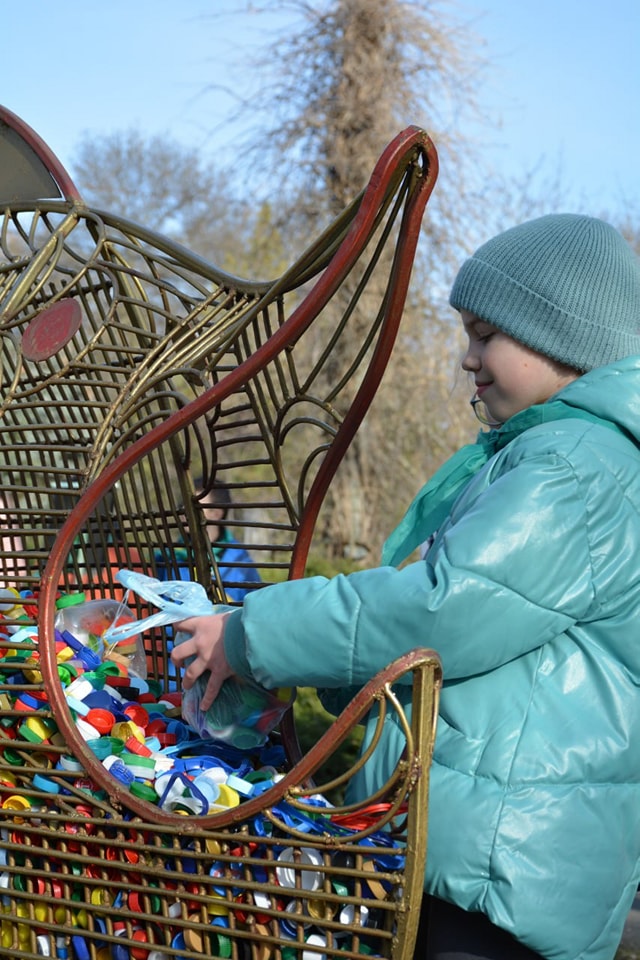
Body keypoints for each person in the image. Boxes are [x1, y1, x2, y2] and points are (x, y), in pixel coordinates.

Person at [170, 214, 640, 960]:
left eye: (487, 335)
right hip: (501, 859)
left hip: (494, 878)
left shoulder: (574, 468)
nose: (467, 359)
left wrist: (253, 635)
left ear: (562, 336)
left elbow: (440, 606)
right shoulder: (567, 459)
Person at [156, 481, 261, 602]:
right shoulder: (167, 557)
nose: (184, 511)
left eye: (194, 506)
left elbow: (255, 608)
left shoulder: (240, 561)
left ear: (216, 513)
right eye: (182, 504)